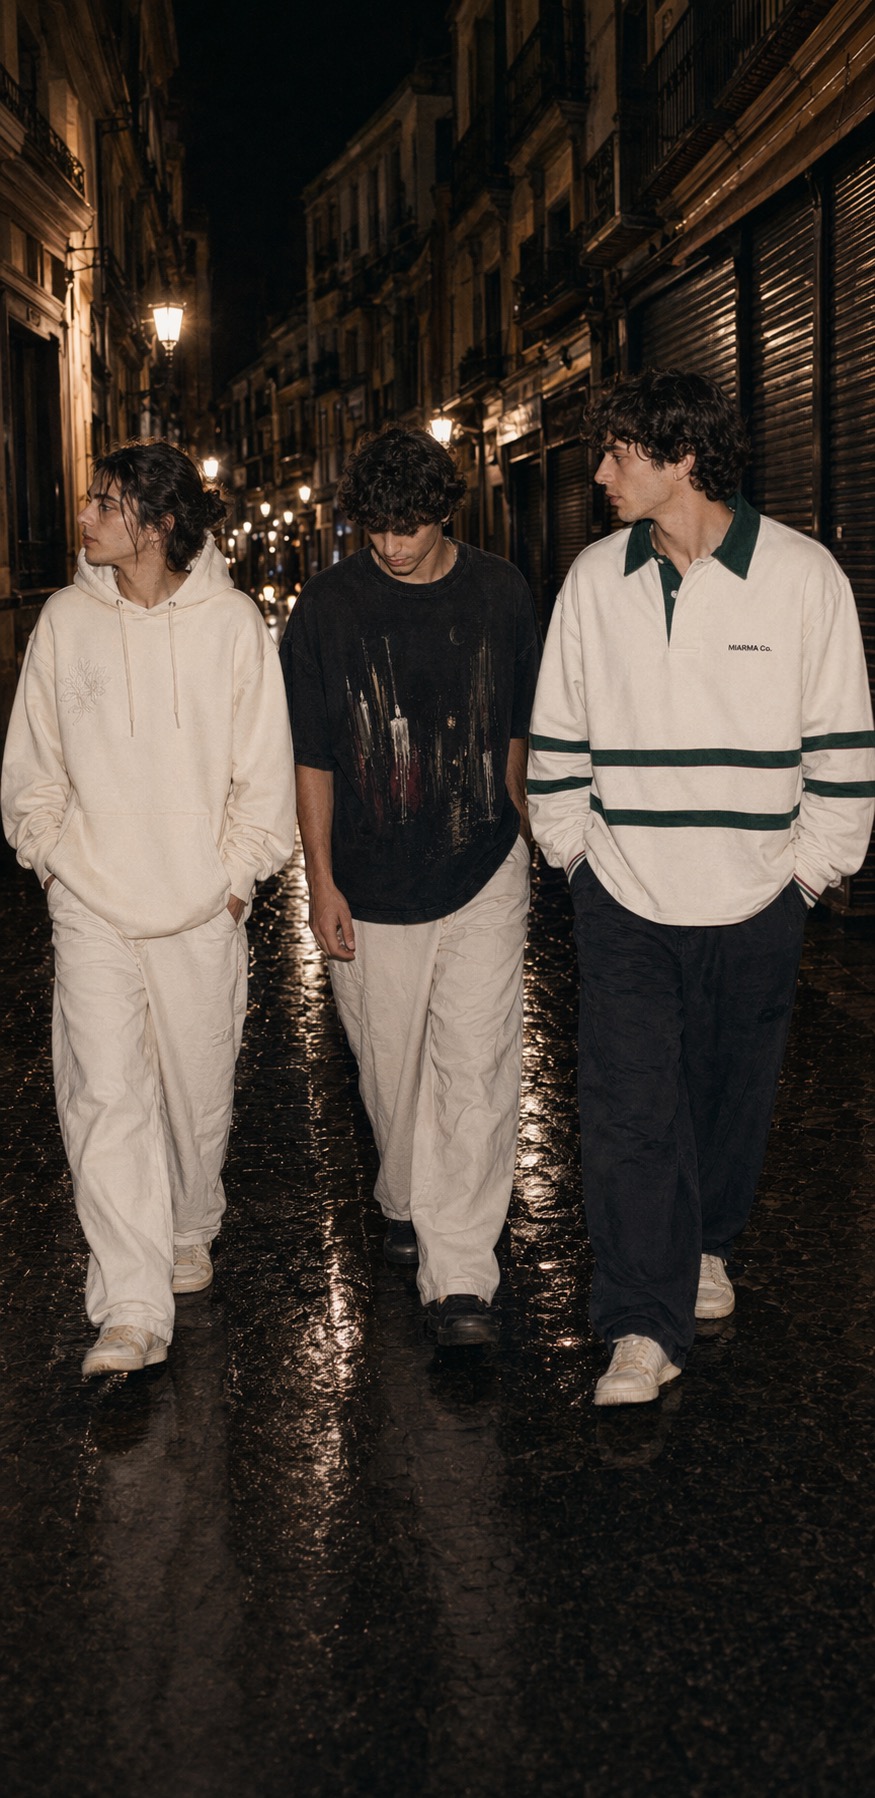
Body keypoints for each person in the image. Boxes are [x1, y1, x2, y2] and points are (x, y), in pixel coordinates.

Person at [527, 368, 875, 1405]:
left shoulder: (803, 575)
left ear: (680, 458)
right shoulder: (594, 579)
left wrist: (804, 878)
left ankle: (707, 1240)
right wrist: (576, 861)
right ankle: (640, 1322)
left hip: (757, 895)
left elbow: (841, 743)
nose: (598, 475)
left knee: (729, 1093)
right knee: (628, 1105)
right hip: (623, 896)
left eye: (616, 453)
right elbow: (557, 735)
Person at [1, 441, 296, 1377]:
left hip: (200, 909)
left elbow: (264, 772)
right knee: (104, 1096)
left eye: (106, 502)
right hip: (91, 902)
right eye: (90, 498)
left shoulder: (232, 624)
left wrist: (235, 884)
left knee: (197, 1094)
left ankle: (190, 1220)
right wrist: (53, 863)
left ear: (159, 524)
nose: (84, 515)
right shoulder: (63, 620)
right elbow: (33, 764)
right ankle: (128, 1307)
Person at [280, 425, 540, 1345]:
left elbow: (517, 727)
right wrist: (319, 881)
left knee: (476, 1064)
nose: (391, 545)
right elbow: (311, 757)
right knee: (389, 1067)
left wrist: (522, 830)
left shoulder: (501, 591)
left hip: (482, 864)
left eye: (409, 527)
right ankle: (403, 1194)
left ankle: (461, 1274)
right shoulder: (326, 606)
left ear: (444, 514)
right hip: (370, 876)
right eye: (376, 528)